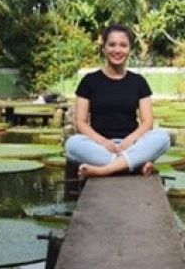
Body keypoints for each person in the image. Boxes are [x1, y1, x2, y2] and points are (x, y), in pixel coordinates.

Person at [64, 23, 170, 178]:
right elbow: (80, 122)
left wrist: (128, 141)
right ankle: (134, 164)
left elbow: (147, 122)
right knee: (72, 144)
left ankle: (105, 169)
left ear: (129, 49)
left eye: (123, 45)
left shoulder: (138, 82)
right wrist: (104, 142)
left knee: (163, 137)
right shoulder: (89, 81)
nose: (117, 50)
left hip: (133, 144)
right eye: (112, 45)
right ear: (104, 48)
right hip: (99, 146)